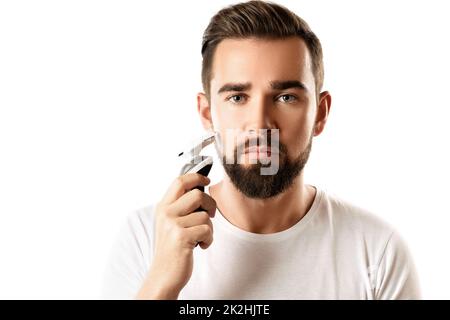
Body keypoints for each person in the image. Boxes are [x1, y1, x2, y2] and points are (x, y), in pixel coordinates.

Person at [102, 0, 421, 299]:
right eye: (237, 98)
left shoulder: (378, 251)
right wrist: (161, 283)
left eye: (286, 97)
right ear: (207, 113)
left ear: (320, 114)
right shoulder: (145, 238)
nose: (260, 123)